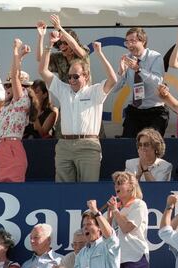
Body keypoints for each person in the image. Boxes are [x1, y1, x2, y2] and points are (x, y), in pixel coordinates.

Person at [39, 28, 116, 182]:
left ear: (86, 76)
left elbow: (113, 79)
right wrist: (48, 44)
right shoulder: (64, 89)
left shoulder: (95, 91)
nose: (71, 80)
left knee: (88, 190)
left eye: (75, 76)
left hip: (88, 145)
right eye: (69, 77)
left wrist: (100, 54)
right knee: (62, 192)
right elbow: (42, 70)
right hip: (64, 145)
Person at [0, 39, 38, 182]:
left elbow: (14, 76)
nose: (7, 88)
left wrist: (16, 52)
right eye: (6, 86)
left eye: (9, 85)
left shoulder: (22, 97)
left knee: (12, 185)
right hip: (0, 147)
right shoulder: (6, 106)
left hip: (13, 147)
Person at [111, 27, 169, 137]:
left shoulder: (155, 57)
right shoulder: (127, 59)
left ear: (143, 41)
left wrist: (139, 69)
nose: (129, 45)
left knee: (152, 145)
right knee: (127, 144)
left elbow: (158, 82)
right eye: (127, 42)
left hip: (155, 110)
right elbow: (114, 89)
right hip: (135, 110)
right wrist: (120, 72)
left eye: (132, 41)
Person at [107, 171, 149, 267]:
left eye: (120, 183)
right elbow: (109, 234)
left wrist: (114, 210)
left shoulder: (138, 204)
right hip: (116, 258)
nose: (116, 186)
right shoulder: (116, 208)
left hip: (135, 258)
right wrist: (110, 215)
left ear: (131, 186)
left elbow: (126, 228)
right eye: (115, 184)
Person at [75, 200, 120, 268]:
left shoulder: (108, 245)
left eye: (89, 224)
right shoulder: (81, 254)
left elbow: (110, 236)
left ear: (99, 227)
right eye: (83, 225)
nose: (85, 228)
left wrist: (95, 211)